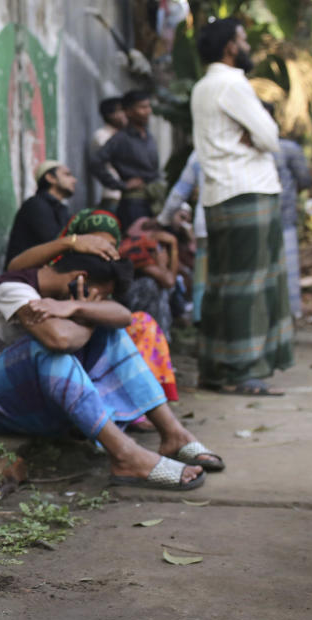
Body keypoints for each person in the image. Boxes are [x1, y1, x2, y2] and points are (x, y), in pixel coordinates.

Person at [0, 249, 223, 492]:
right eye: (99, 293)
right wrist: (89, 314)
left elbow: (123, 316)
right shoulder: (14, 290)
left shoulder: (60, 298)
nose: (99, 300)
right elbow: (60, 339)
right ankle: (125, 455)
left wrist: (78, 305)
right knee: (48, 350)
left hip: (24, 402)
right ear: (79, 278)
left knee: (111, 332)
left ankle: (173, 434)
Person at [191, 18, 292, 396]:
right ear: (230, 47)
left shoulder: (203, 86)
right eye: (243, 40)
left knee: (222, 284)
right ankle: (243, 371)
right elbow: (270, 137)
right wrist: (256, 135)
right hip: (248, 191)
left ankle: (215, 368)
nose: (247, 45)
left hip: (219, 194)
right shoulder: (232, 83)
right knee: (250, 285)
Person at [7, 208, 180, 404]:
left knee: (141, 324)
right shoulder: (56, 270)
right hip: (51, 346)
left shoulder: (107, 275)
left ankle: (143, 402)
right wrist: (69, 243)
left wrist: (84, 310)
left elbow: (123, 315)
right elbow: (14, 269)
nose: (102, 252)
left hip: (85, 340)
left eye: (110, 246)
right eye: (95, 244)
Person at [90, 90, 165, 229]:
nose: (147, 111)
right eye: (142, 107)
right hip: (134, 203)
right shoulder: (120, 138)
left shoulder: (148, 136)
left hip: (154, 200)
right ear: (129, 112)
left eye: (148, 107)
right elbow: (95, 162)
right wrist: (120, 185)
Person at [264, 101, 312, 316]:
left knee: (289, 272)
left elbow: (304, 179)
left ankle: (291, 316)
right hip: (258, 224)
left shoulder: (288, 149)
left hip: (285, 219)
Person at [158, 152, 207, 324]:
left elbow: (179, 193)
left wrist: (162, 219)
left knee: (204, 279)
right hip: (234, 228)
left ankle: (203, 324)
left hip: (206, 226)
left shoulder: (200, 153)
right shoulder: (241, 146)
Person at [3, 160, 75, 267]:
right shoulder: (35, 205)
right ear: (50, 177)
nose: (74, 180)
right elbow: (56, 242)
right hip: (24, 278)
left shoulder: (61, 209)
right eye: (67, 175)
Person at [90, 97, 127, 213]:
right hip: (113, 195)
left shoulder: (123, 135)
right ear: (110, 115)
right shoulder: (102, 135)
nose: (124, 114)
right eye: (120, 110)